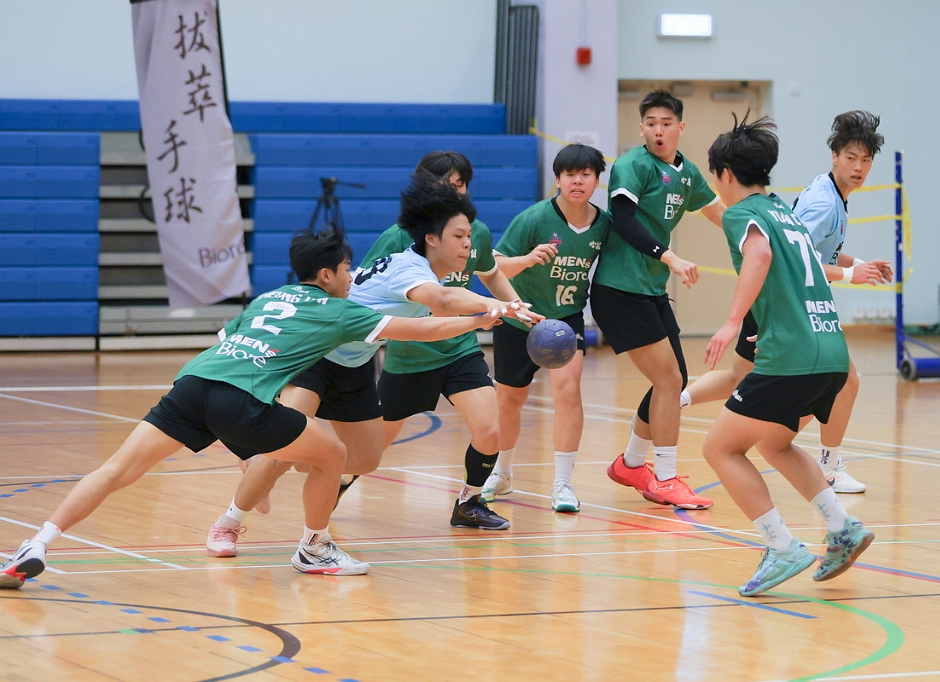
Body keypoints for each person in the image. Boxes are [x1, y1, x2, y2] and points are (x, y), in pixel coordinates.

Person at [0, 224, 505, 589]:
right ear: (326, 274)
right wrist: (480, 319)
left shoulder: (268, 298)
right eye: (346, 269)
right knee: (331, 453)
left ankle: (37, 542)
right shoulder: (340, 311)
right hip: (242, 400)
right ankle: (314, 548)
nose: (353, 277)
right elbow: (421, 328)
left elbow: (228, 342)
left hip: (194, 383)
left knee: (116, 470)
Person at [203, 166, 540, 558]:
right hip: (318, 354)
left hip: (357, 363)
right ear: (431, 238)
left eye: (469, 236)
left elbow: (436, 315)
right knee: (285, 447)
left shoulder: (424, 270)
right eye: (459, 236)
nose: (468, 244)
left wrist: (490, 312)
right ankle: (229, 522)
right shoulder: (409, 269)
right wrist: (497, 306)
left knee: (364, 458)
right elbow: (443, 301)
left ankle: (270, 459)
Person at [700, 113, 874, 597]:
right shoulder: (784, 211)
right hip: (830, 351)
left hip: (791, 358)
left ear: (725, 175)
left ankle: (781, 546)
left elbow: (759, 257)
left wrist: (733, 322)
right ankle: (842, 527)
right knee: (775, 444)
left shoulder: (741, 214)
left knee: (719, 448)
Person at [680, 110, 889, 494]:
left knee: (743, 381)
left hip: (779, 301)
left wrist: (859, 264)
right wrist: (849, 275)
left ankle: (674, 400)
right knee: (840, 382)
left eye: (866, 160)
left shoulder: (830, 194)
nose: (859, 167)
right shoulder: (821, 203)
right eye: (851, 158)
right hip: (781, 304)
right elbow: (791, 257)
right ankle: (822, 464)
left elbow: (810, 248)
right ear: (834, 156)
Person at [358, 153, 540, 531]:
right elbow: (370, 288)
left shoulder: (475, 231)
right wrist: (491, 308)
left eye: (459, 185)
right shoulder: (398, 238)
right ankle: (333, 487)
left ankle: (469, 503)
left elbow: (490, 273)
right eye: (444, 185)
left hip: (459, 348)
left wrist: (516, 307)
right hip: (410, 353)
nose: (453, 192)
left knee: (490, 429)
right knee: (368, 450)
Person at [589, 89, 725, 509]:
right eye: (651, 124)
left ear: (680, 127)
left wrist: (763, 237)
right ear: (641, 128)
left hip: (649, 289)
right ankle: (664, 479)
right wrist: (670, 257)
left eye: (666, 123)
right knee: (668, 382)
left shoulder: (687, 172)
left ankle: (631, 464)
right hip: (619, 290)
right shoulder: (632, 166)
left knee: (674, 379)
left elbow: (719, 213)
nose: (658, 131)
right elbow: (624, 221)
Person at [481, 143, 611, 513]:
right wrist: (527, 259)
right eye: (570, 174)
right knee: (509, 400)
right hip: (521, 318)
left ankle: (563, 484)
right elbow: (494, 268)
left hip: (566, 320)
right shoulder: (534, 219)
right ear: (558, 179)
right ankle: (502, 473)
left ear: (596, 181)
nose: (577, 181)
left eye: (585, 174)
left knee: (568, 394)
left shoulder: (604, 224)